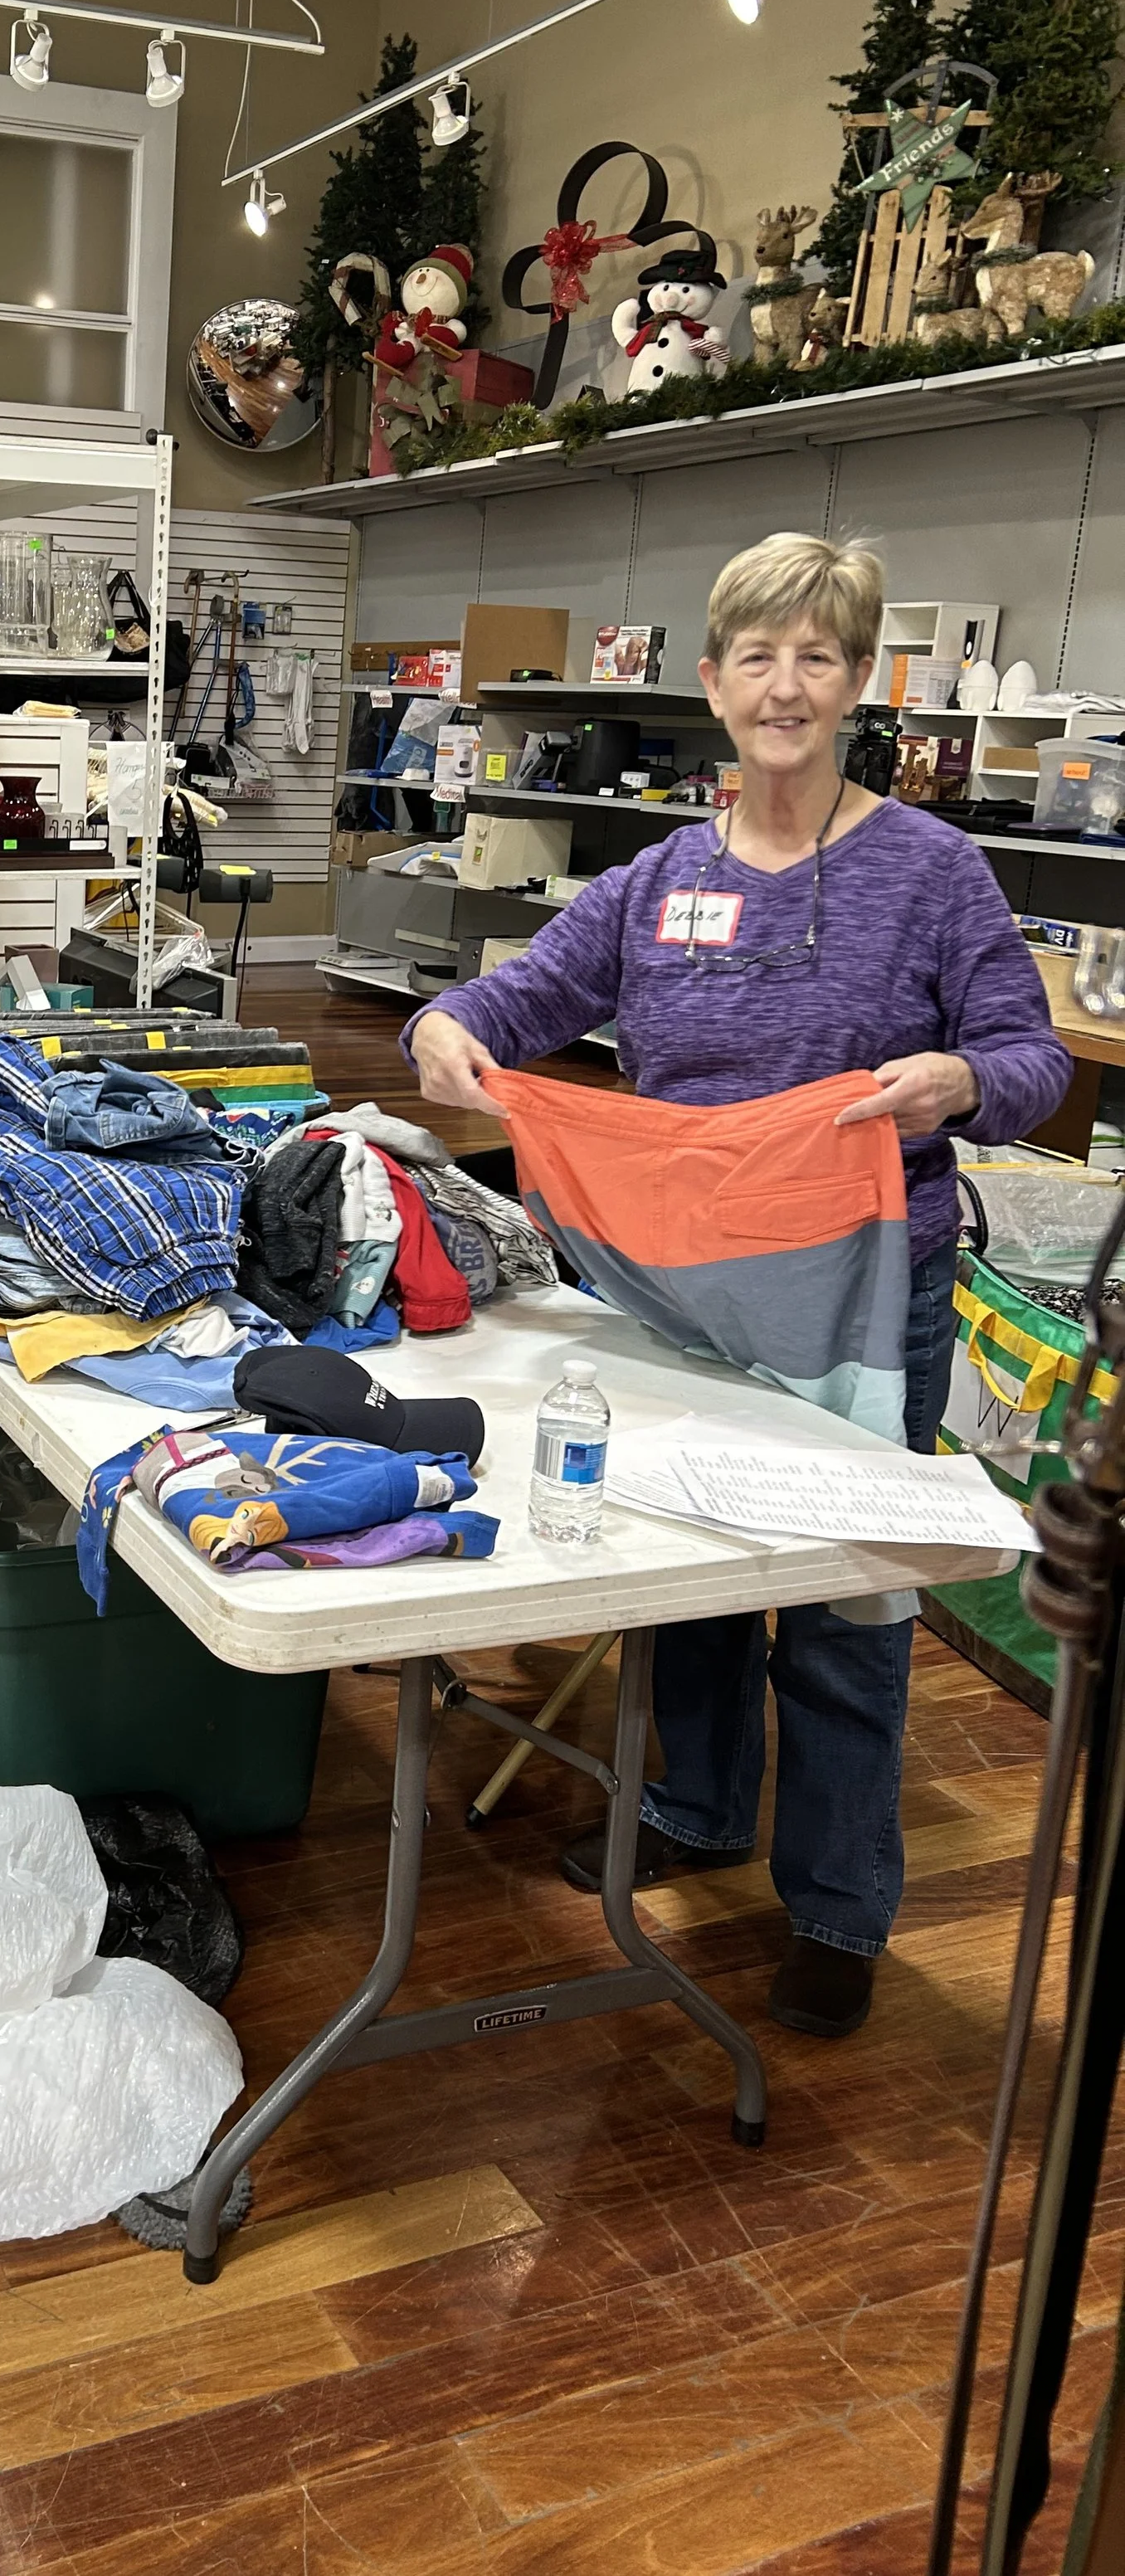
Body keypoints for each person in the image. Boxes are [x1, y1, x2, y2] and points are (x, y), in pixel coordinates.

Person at [407, 533, 1070, 2039]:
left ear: (857, 685)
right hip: (683, 1291)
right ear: (712, 683)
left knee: (845, 1603)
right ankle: (698, 1809)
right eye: (758, 654)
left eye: (819, 656)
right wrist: (451, 1024)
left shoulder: (931, 868)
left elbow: (1028, 1063)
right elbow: (521, 996)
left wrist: (959, 1077)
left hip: (860, 1280)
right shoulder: (661, 879)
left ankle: (838, 1904)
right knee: (691, 1576)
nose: (787, 684)